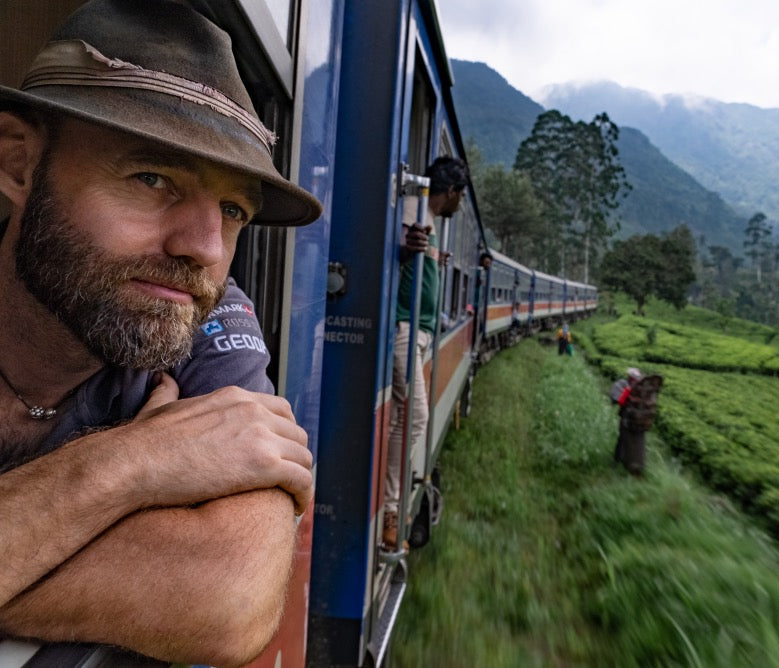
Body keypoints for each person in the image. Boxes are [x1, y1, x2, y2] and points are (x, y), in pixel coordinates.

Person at [0, 1, 321, 665]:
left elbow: (228, 600)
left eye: (233, 210)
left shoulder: (195, 312)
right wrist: (130, 463)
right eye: (152, 177)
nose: (204, 248)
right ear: (18, 164)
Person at [383, 156, 470, 549]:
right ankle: (390, 509)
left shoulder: (430, 220)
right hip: (405, 326)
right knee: (416, 416)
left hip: (418, 330)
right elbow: (396, 252)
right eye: (460, 196)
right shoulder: (416, 207)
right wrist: (407, 249)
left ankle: (393, 504)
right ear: (450, 192)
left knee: (409, 415)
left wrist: (435, 260)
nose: (460, 205)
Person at [610, 368, 662, 474]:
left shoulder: (632, 389)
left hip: (632, 420)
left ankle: (625, 463)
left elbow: (619, 401)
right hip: (639, 421)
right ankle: (630, 464)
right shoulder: (645, 390)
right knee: (633, 442)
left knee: (628, 441)